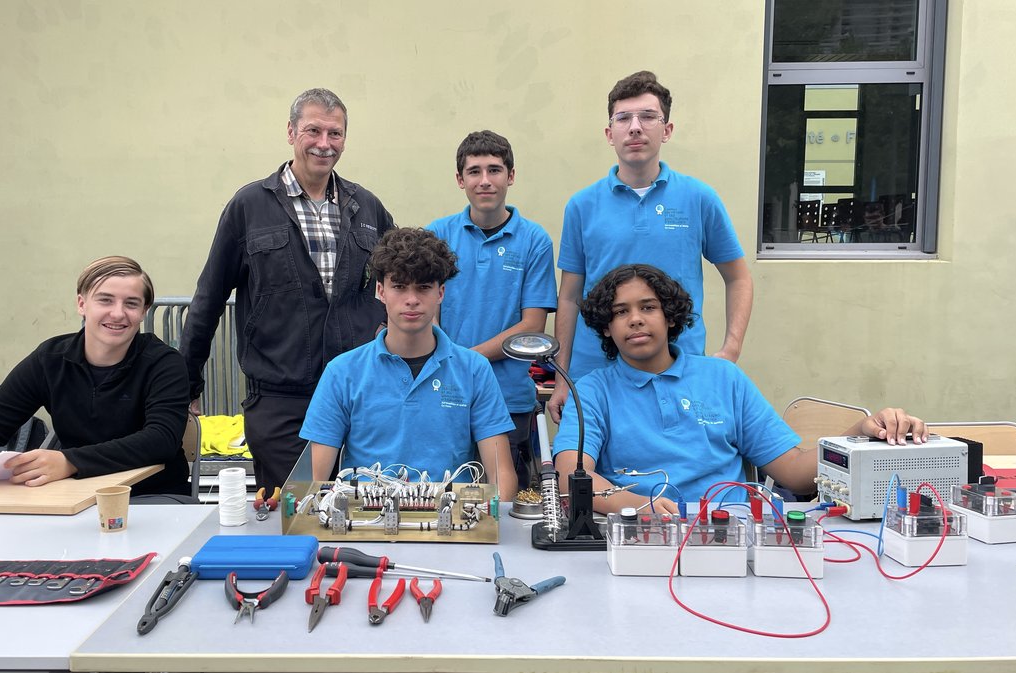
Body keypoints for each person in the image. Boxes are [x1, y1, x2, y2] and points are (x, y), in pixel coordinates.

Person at [552, 263, 926, 514]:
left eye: (648, 307)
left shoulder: (723, 379)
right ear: (605, 327)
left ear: (669, 317)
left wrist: (860, 434)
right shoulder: (593, 390)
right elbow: (572, 478)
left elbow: (794, 473)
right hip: (641, 533)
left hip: (734, 527)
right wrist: (637, 507)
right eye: (620, 312)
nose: (635, 319)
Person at [179, 88, 396, 493]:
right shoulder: (249, 206)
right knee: (294, 520)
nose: (324, 144)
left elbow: (402, 286)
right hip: (281, 402)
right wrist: (186, 386)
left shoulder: (366, 207)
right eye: (313, 130)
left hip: (361, 394)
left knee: (367, 512)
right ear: (291, 132)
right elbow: (207, 301)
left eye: (335, 133)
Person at [548, 71, 753, 423]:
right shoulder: (582, 205)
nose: (635, 127)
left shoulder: (699, 198)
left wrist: (730, 349)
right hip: (595, 371)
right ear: (609, 134)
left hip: (678, 366)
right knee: (590, 470)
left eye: (647, 117)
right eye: (623, 118)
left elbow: (739, 279)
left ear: (667, 130)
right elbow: (569, 297)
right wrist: (561, 376)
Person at [0, 256, 191, 496]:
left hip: (153, 498)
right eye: (105, 300)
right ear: (81, 304)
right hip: (71, 496)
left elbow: (161, 440)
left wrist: (70, 461)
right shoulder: (50, 359)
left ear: (143, 312)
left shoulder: (164, 363)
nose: (118, 313)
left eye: (131, 304)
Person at [300, 228, 518, 500]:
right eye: (399, 286)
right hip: (365, 528)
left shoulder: (474, 369)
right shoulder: (342, 372)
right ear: (381, 291)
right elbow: (313, 481)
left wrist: (498, 523)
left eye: (424, 287)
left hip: (455, 530)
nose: (412, 299)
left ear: (441, 293)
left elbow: (501, 473)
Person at [426, 130, 556, 489]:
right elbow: (425, 315)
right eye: (474, 171)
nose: (485, 181)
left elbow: (531, 327)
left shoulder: (534, 240)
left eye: (495, 170)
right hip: (443, 392)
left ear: (510, 176)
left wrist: (464, 359)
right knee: (441, 498)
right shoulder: (437, 235)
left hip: (508, 400)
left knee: (501, 500)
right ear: (460, 179)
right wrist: (450, 364)